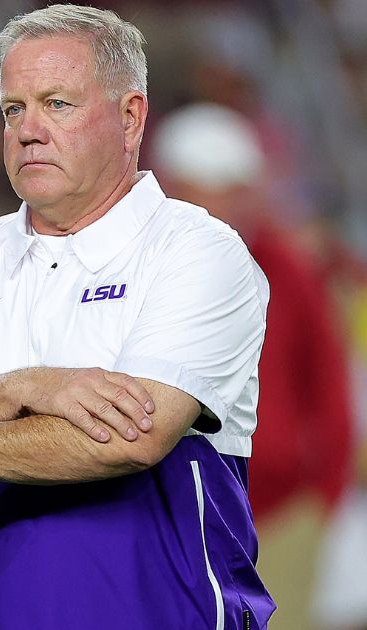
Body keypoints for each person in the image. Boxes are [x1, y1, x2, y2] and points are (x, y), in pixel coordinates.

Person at [0, 5, 273, 629]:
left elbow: (134, 437)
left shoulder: (197, 249)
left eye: (57, 103)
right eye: (13, 109)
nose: (28, 130)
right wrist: (18, 388)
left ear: (130, 118)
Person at [152, 103, 354, 629]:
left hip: (282, 508)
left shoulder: (287, 267)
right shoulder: (144, 266)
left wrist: (325, 492)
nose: (220, 200)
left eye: (232, 185)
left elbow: (329, 380)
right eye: (204, 185)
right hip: (173, 508)